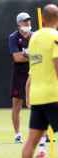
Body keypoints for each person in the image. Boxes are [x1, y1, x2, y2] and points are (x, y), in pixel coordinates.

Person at [23, 4, 58, 158]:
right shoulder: (55, 37)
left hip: (37, 97)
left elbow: (33, 68)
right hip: (54, 95)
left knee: (31, 141)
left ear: (42, 19)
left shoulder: (33, 38)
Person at [8, 12, 32, 143]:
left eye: (28, 21)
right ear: (19, 24)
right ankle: (17, 135)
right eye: (24, 21)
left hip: (33, 73)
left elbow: (41, 56)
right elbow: (17, 57)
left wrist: (26, 54)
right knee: (17, 105)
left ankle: (43, 135)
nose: (27, 23)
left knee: (39, 104)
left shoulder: (35, 36)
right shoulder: (13, 37)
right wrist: (32, 54)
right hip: (19, 74)